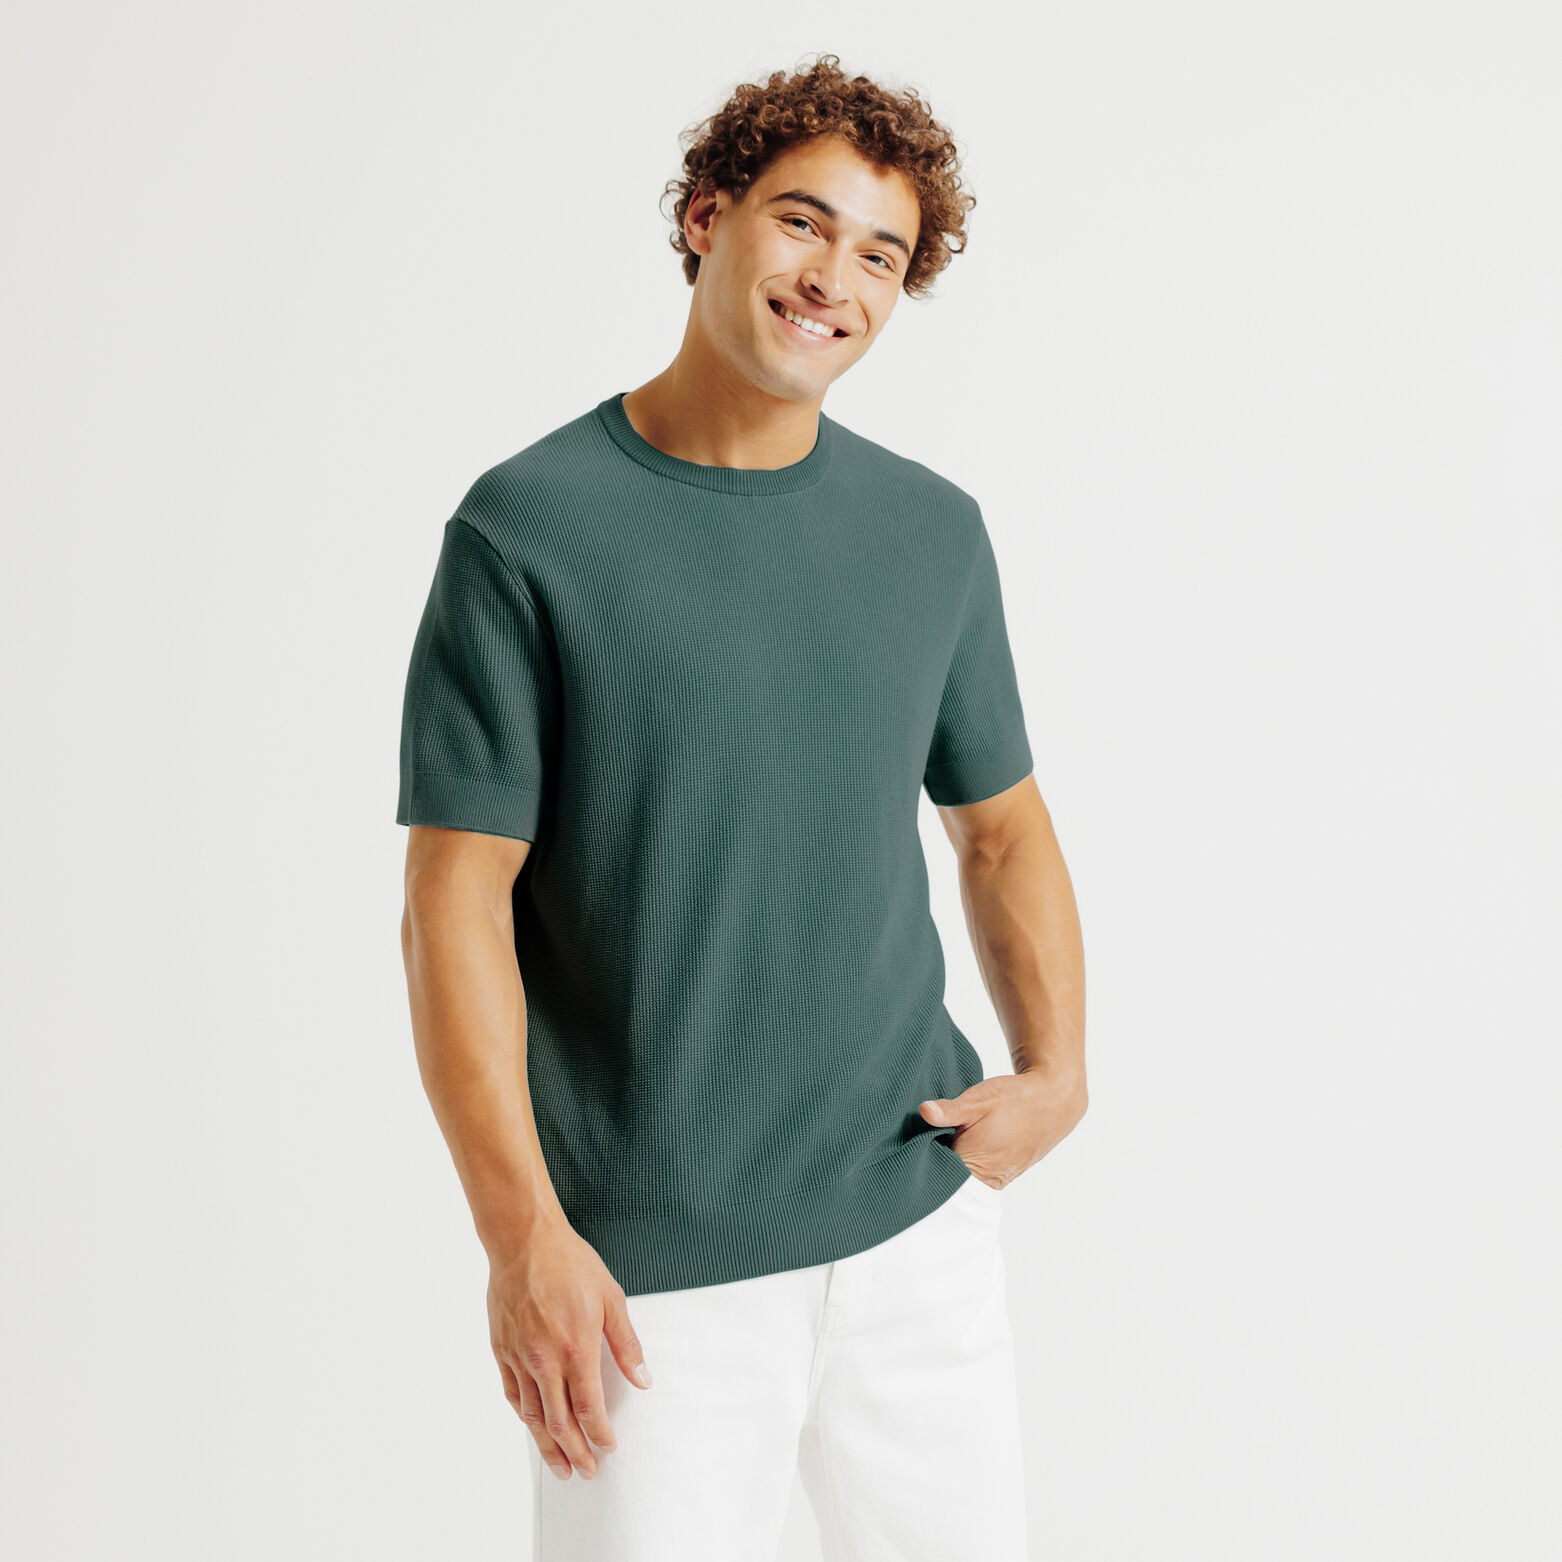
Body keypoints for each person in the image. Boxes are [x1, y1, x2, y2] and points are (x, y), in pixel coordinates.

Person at [396, 52, 1086, 1562]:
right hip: (649, 1276)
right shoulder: (527, 528)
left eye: (881, 255)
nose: (834, 278)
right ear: (707, 218)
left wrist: (1057, 1069)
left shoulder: (930, 530)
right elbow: (454, 901)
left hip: (913, 1227)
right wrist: (521, 1236)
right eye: (802, 221)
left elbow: (1003, 826)